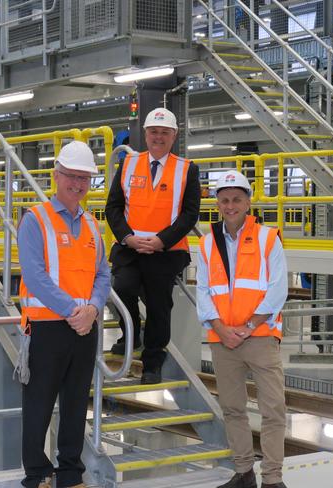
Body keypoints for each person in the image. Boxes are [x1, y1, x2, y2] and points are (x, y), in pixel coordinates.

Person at [18, 141, 111, 488]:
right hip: (45, 327)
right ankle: (37, 474)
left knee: (75, 404)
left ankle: (70, 473)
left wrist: (93, 308)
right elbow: (34, 275)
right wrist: (76, 310)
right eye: (71, 176)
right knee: (39, 404)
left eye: (84, 178)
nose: (78, 184)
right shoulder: (35, 219)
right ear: (56, 176)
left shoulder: (91, 225)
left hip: (83, 327)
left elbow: (103, 274)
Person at [196, 170, 288, 488]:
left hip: (260, 336)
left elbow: (278, 289)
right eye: (224, 200)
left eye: (237, 199)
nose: (230, 205)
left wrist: (248, 327)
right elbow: (203, 291)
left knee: (273, 408)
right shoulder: (207, 244)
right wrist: (221, 329)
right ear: (217, 204)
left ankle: (273, 478)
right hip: (223, 341)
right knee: (232, 408)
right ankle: (244, 472)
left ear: (248, 202)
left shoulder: (268, 238)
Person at [106, 107, 200, 384]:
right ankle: (132, 332)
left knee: (160, 305)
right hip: (130, 248)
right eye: (153, 132)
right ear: (146, 135)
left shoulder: (187, 170)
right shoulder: (128, 165)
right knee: (122, 288)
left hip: (166, 251)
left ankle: (152, 363)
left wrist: (161, 241)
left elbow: (190, 214)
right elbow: (113, 207)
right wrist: (127, 237)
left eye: (164, 132)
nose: (158, 137)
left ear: (174, 136)